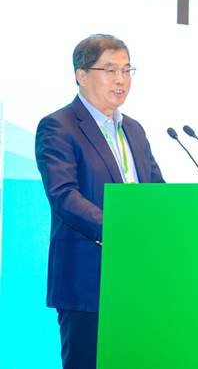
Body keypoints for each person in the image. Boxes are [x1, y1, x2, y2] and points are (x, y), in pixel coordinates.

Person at [35, 34, 164, 369]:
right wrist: (122, 231)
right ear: (81, 74)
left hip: (140, 279)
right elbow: (64, 195)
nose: (121, 80)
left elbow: (157, 191)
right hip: (87, 283)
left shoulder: (133, 130)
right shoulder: (58, 127)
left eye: (126, 70)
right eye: (109, 70)